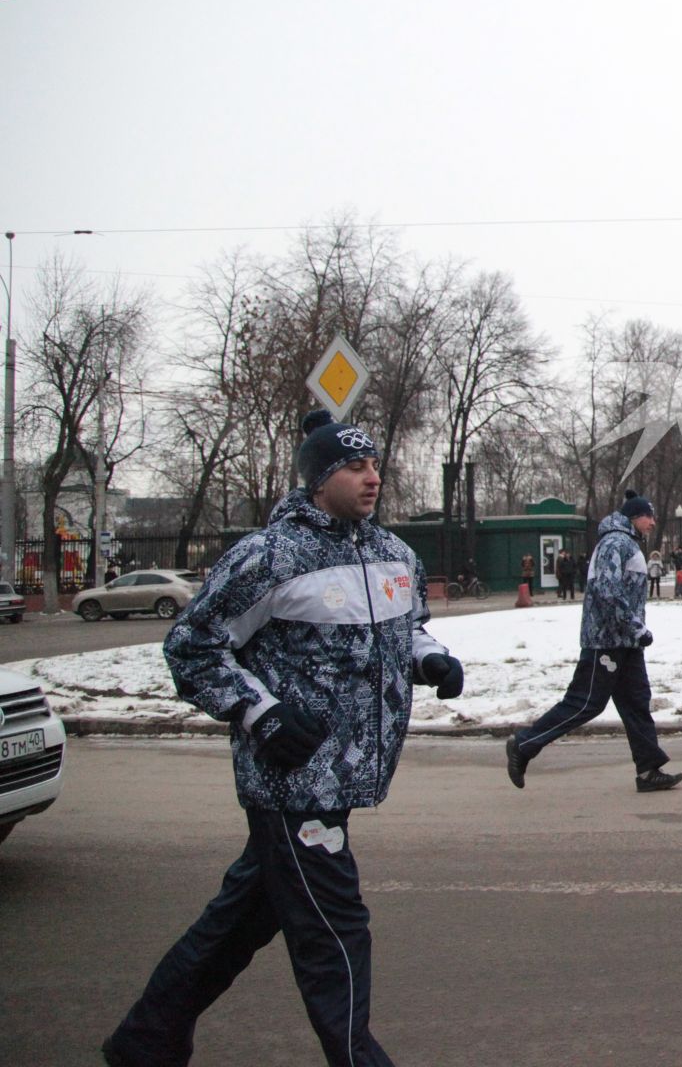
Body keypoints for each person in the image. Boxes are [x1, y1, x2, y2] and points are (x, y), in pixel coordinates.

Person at [103, 410, 465, 1067]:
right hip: (292, 781)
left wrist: (430, 659)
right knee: (335, 930)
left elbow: (406, 628)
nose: (371, 477)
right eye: (354, 466)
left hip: (348, 774)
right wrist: (260, 713)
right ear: (319, 477)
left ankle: (145, 1040)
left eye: (374, 464)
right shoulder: (269, 557)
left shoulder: (393, 554)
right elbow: (194, 649)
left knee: (243, 917)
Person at [505, 491, 682, 792]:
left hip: (624, 643)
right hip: (606, 641)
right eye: (648, 516)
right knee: (584, 703)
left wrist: (633, 633)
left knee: (636, 702)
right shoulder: (615, 543)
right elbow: (607, 591)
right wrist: (635, 627)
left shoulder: (625, 543)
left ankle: (649, 769)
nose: (653, 522)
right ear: (634, 518)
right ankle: (524, 745)